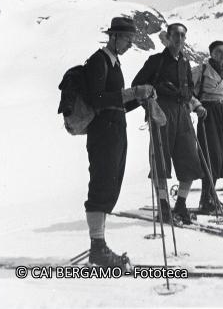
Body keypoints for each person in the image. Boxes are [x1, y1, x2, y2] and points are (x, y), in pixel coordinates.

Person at [81, 16, 154, 267]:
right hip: (103, 133)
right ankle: (97, 248)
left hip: (113, 132)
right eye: (126, 38)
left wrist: (138, 98)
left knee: (109, 184)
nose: (130, 43)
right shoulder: (99, 61)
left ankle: (99, 245)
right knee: (102, 184)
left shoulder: (112, 62)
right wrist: (133, 92)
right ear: (113, 37)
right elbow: (98, 99)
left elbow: (116, 103)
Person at [133, 23, 206, 224]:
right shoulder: (156, 61)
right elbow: (137, 86)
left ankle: (180, 204)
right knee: (160, 161)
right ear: (168, 37)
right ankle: (164, 206)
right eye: (176, 35)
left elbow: (190, 89)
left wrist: (189, 98)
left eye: (183, 35)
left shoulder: (185, 63)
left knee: (190, 160)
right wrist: (151, 104)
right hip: (161, 113)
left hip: (183, 113)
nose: (179, 39)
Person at [192, 41, 223, 203]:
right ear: (211, 53)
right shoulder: (201, 70)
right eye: (218, 51)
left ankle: (211, 194)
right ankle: (206, 197)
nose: (222, 54)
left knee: (221, 156)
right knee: (210, 154)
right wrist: (196, 106)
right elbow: (188, 91)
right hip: (208, 113)